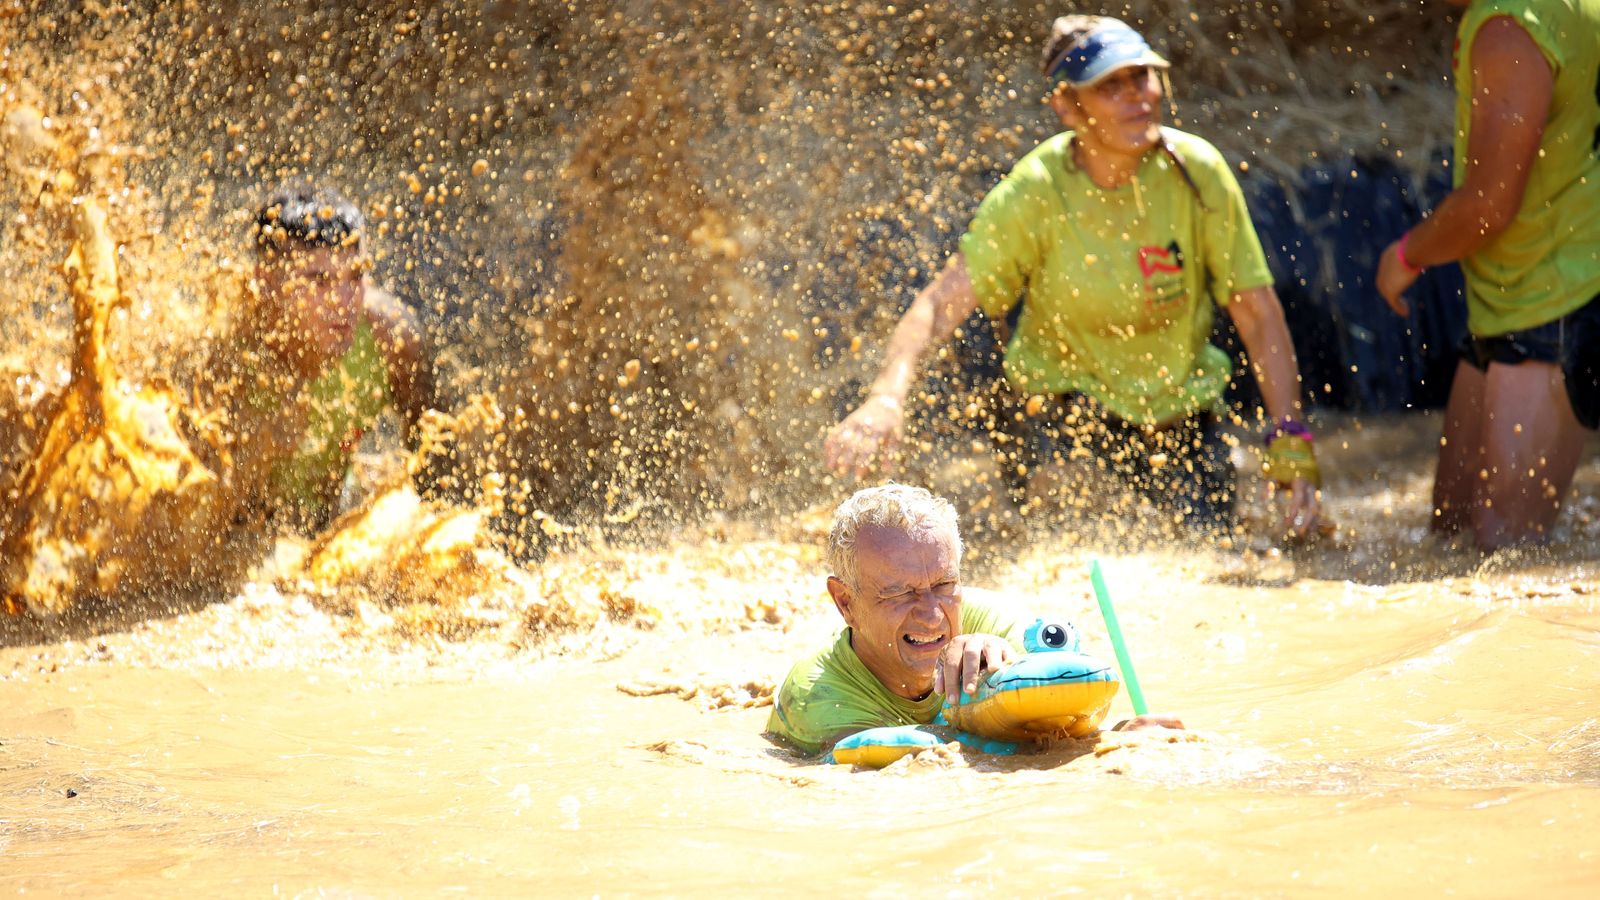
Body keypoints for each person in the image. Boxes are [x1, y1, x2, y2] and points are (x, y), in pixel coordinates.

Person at [824, 15, 1322, 537]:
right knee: (1076, 540)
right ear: (1067, 106)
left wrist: (1290, 438)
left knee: (1212, 551)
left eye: (1142, 78)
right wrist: (886, 397)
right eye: (1110, 86)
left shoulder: (1197, 172)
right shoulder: (1035, 192)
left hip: (1180, 418)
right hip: (1061, 418)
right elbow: (938, 305)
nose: (1137, 97)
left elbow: (1257, 312)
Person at [1376, 0, 1599, 551]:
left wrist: (1405, 256)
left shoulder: (1511, 26)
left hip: (1554, 299)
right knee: (1448, 536)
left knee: (1506, 559)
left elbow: (1488, 206)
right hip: (1511, 290)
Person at [766, 483, 1180, 755]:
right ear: (845, 603)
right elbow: (904, 790)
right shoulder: (817, 697)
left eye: (944, 585)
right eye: (899, 593)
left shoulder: (994, 618)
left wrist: (1120, 738)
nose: (931, 616)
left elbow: (1070, 699)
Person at [219, 183, 441, 532]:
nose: (343, 301)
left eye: (354, 277)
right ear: (266, 282)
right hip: (247, 533)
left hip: (336, 516)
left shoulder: (392, 339)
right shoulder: (229, 362)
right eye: (319, 281)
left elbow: (438, 462)